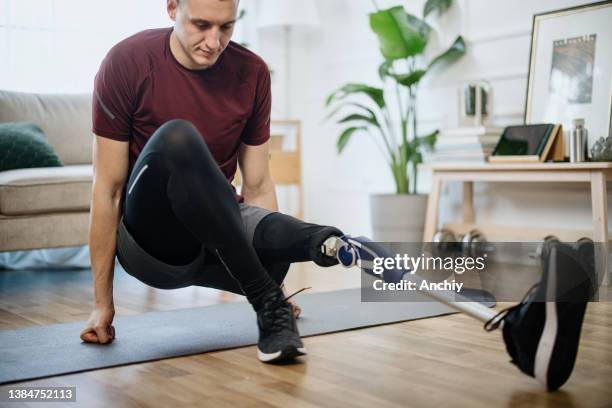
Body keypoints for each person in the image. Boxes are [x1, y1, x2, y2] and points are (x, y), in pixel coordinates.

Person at [80, 0, 594, 391]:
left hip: (219, 240)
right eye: (201, 25)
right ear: (173, 6)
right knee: (177, 137)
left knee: (328, 241)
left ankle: (522, 329)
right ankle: (268, 305)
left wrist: (276, 256)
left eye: (228, 26)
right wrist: (102, 304)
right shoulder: (128, 62)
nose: (215, 41)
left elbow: (256, 188)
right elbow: (107, 190)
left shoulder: (251, 73)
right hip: (152, 246)